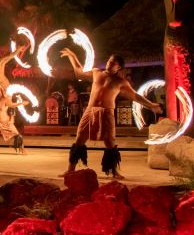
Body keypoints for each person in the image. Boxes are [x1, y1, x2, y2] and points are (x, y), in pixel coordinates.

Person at [59, 48, 163, 179]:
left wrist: (152, 105)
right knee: (79, 139)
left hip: (107, 112)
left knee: (110, 142)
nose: (109, 63)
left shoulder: (120, 82)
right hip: (90, 110)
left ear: (118, 67)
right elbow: (79, 72)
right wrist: (72, 56)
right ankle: (70, 169)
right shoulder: (96, 72)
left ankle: (114, 172)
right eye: (109, 61)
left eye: (113, 63)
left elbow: (135, 96)